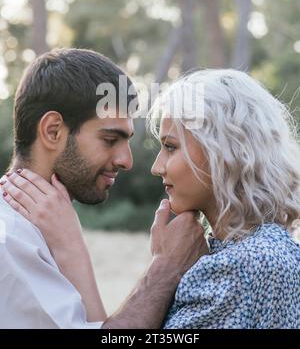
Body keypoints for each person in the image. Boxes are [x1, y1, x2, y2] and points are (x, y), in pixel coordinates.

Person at [3, 68, 300, 329]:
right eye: (109, 139)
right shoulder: (250, 254)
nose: (155, 167)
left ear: (223, 153)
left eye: (171, 147)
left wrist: (164, 266)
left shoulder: (240, 267)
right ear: (51, 130)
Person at [0, 48, 207, 329]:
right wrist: (166, 268)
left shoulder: (38, 232)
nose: (127, 161)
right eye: (110, 139)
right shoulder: (11, 243)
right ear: (52, 131)